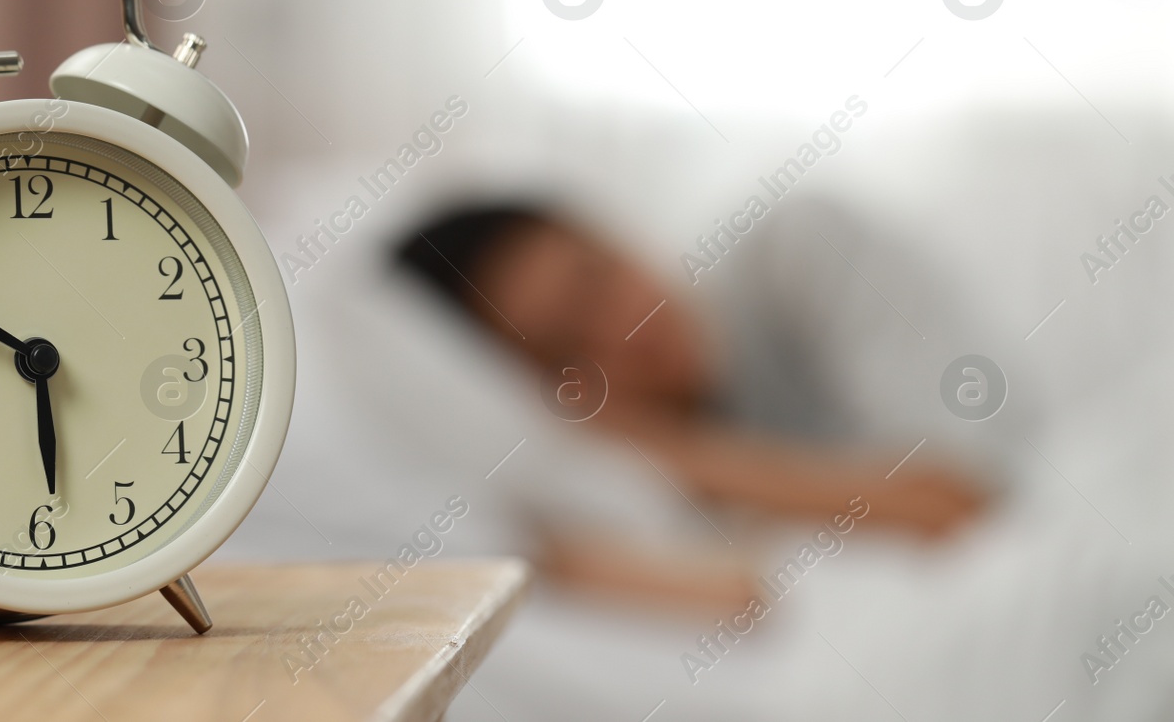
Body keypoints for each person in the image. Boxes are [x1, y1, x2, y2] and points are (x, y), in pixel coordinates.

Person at [393, 199, 992, 610]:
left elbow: (959, 503)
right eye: (568, 351)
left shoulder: (798, 250)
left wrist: (670, 450)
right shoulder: (622, 484)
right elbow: (743, 600)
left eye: (597, 279)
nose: (622, 332)